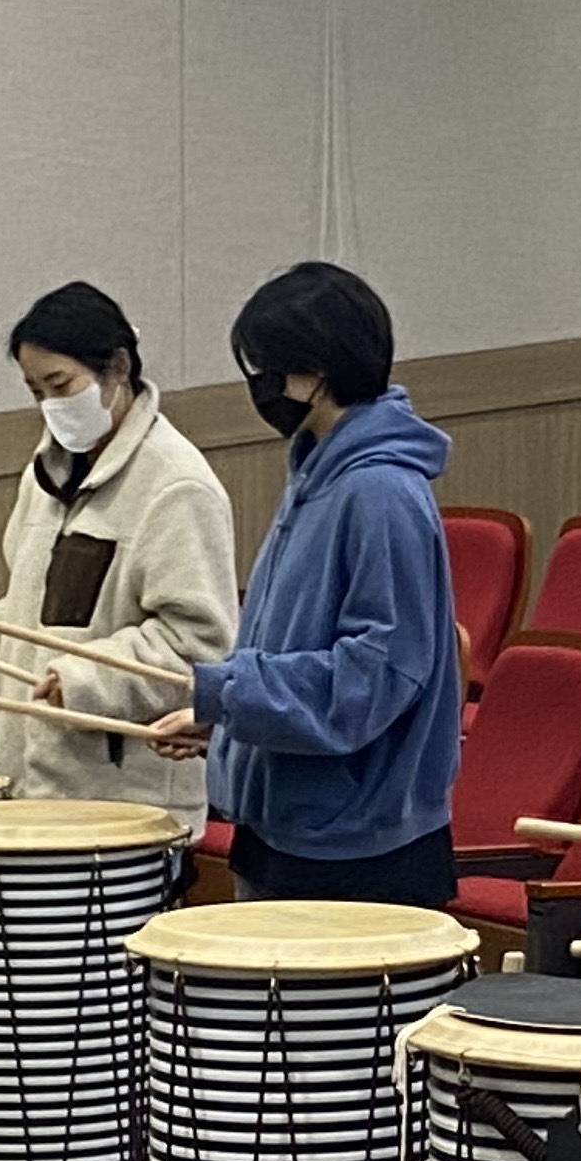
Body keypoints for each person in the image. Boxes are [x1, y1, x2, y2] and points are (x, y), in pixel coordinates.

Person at [144, 262, 465, 908]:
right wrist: (229, 721)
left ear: (315, 372)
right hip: (287, 829)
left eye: (266, 367)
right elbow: (290, 653)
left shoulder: (380, 493)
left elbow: (375, 679)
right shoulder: (316, 477)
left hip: (359, 852)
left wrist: (234, 693)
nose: (259, 386)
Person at [0, 282, 237, 816]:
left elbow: (198, 646)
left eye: (61, 384)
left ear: (119, 367)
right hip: (31, 788)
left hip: (127, 806)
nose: (51, 406)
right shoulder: (44, 475)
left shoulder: (177, 485)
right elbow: (33, 609)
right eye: (36, 392)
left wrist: (84, 680)